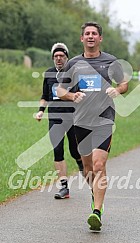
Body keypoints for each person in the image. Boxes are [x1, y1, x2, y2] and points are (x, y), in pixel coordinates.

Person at [57, 22, 128, 231]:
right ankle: (95, 193)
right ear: (81, 39)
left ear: (100, 38)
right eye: (87, 33)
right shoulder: (74, 64)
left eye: (94, 33)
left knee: (98, 165)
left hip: (104, 119)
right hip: (81, 120)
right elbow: (60, 91)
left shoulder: (110, 61)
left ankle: (97, 211)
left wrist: (118, 90)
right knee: (87, 168)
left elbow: (124, 83)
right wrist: (72, 95)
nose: (90, 36)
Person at [35, 42, 83, 199]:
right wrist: (40, 111)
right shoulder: (48, 74)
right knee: (57, 151)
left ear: (67, 58)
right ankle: (64, 188)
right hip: (55, 118)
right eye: (56, 56)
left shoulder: (74, 73)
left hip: (73, 118)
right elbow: (44, 96)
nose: (59, 58)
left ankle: (88, 177)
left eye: (62, 56)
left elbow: (82, 94)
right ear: (52, 58)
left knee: (76, 151)